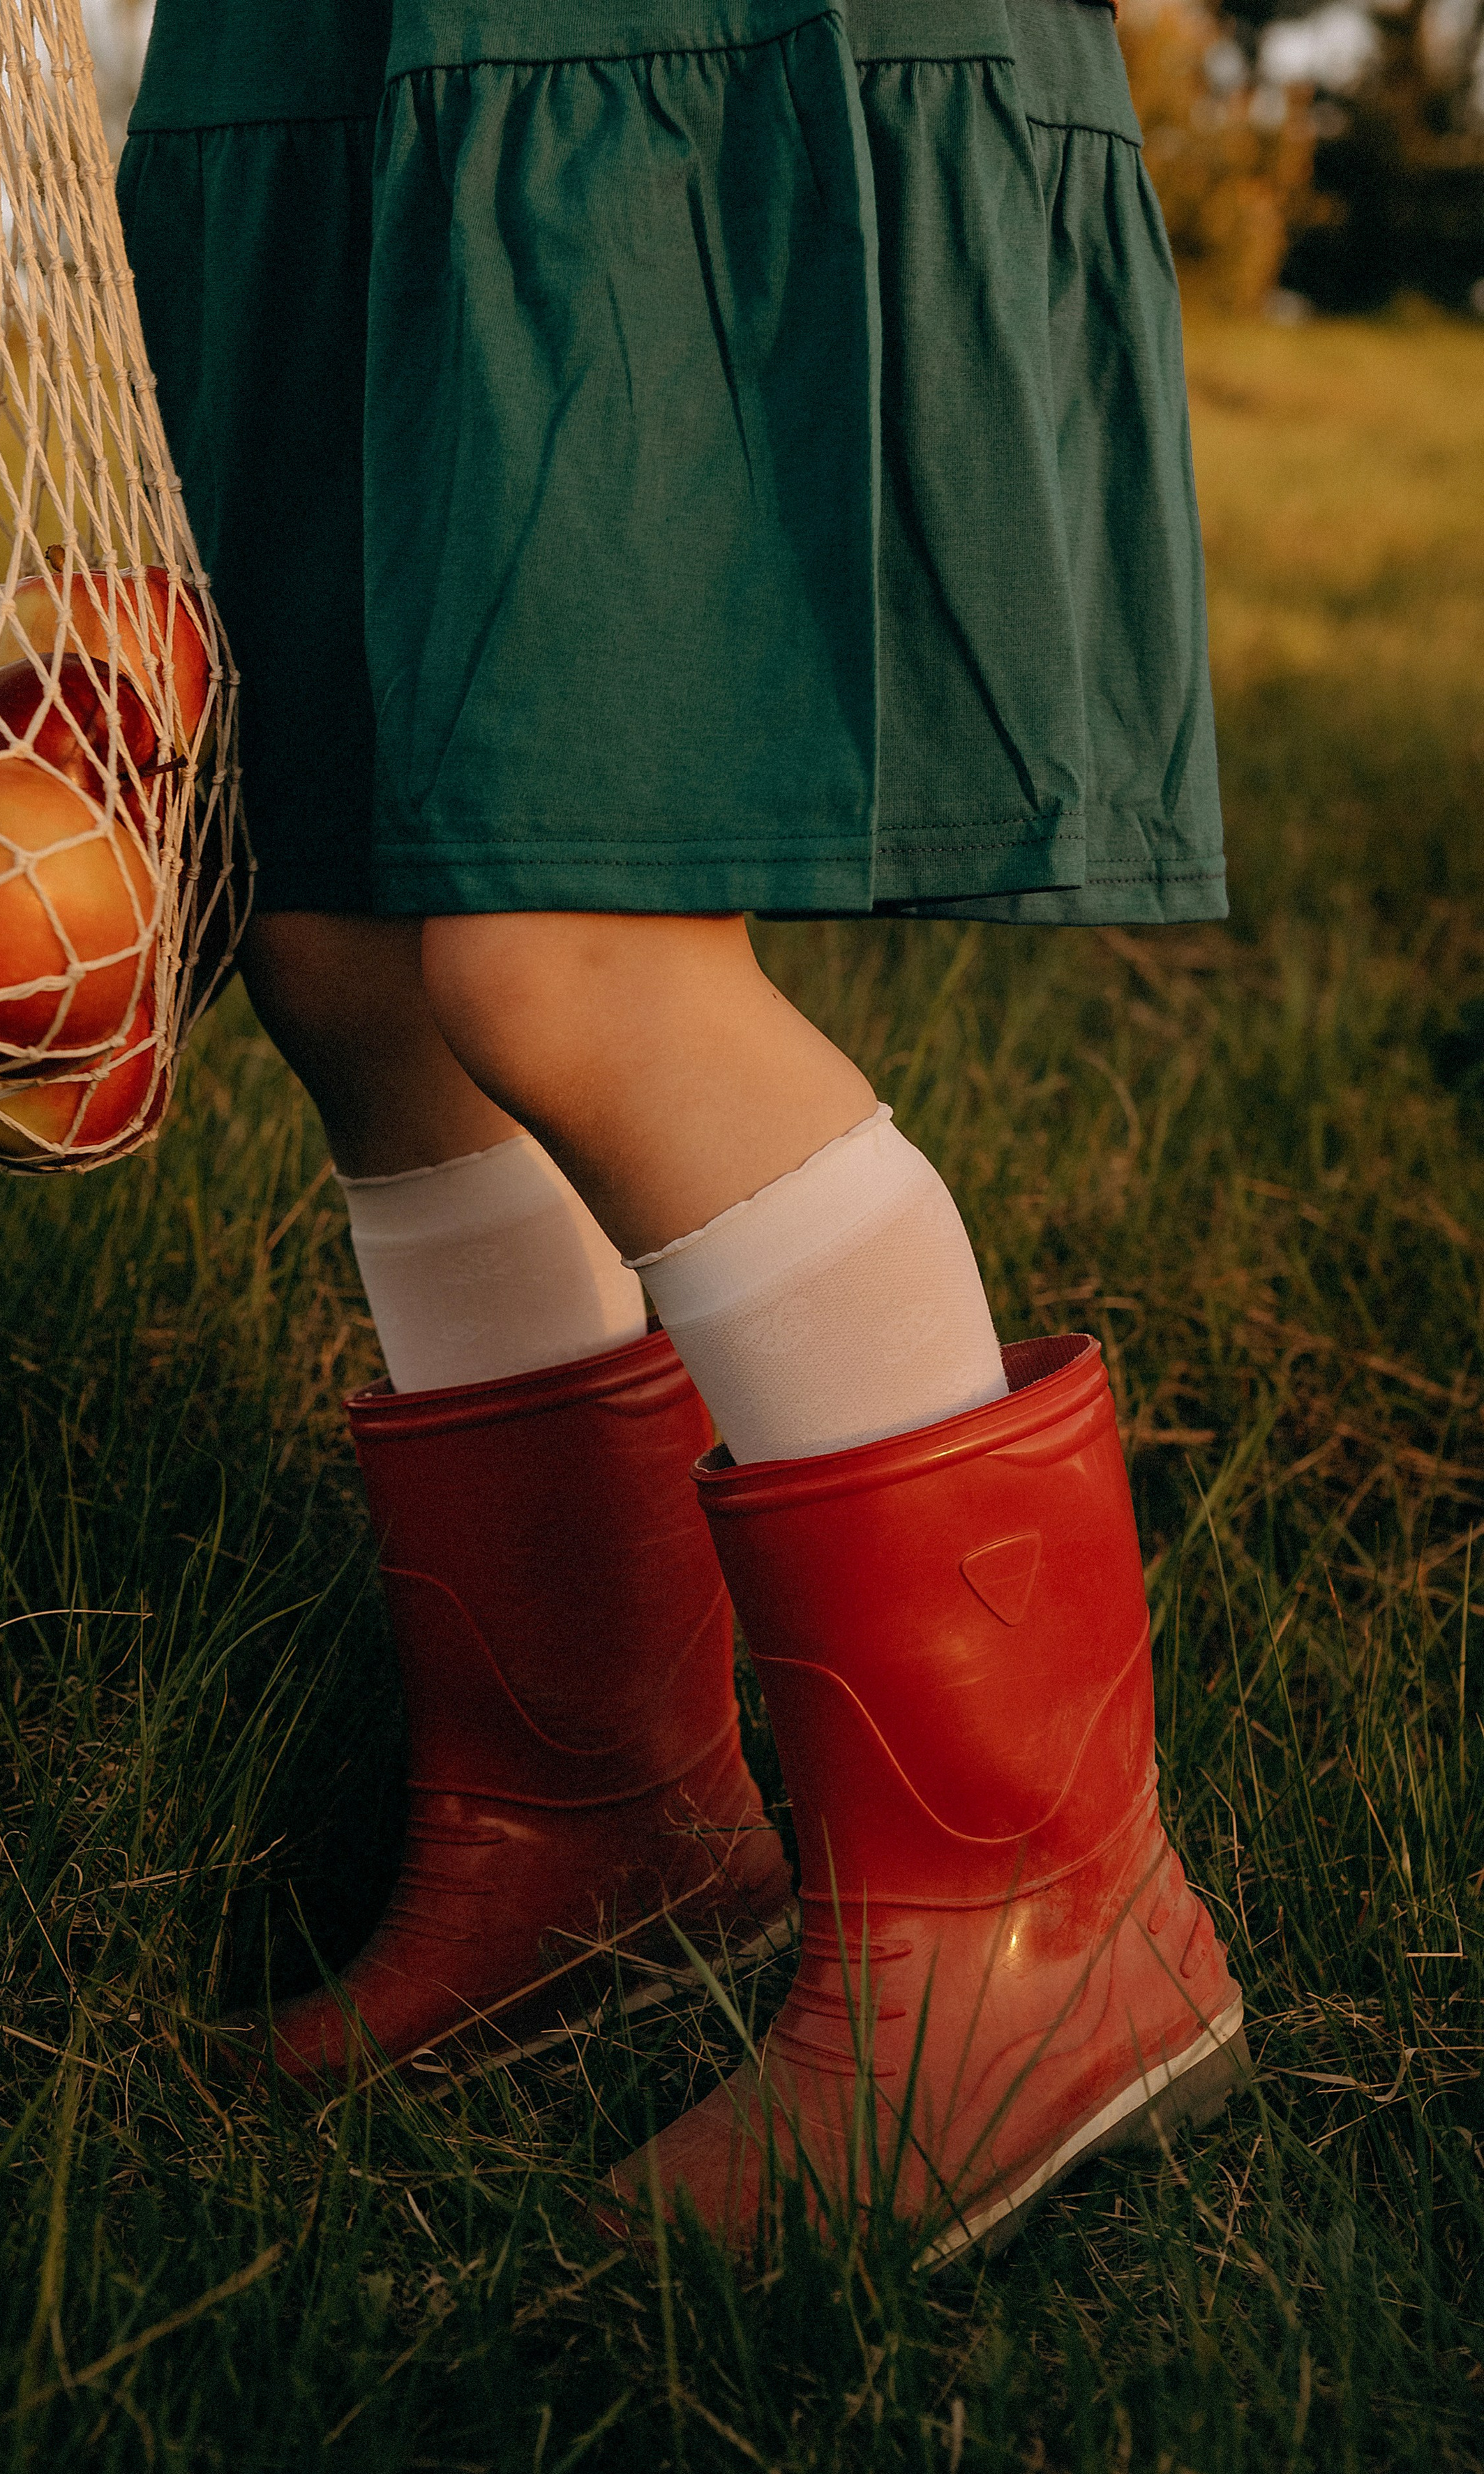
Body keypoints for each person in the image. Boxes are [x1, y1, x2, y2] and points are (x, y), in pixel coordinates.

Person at [114, 0, 1248, 2257]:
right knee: (330, 923)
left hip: (622, 47)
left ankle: (1032, 1930)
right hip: (350, 50)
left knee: (568, 948)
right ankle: (588, 1826)